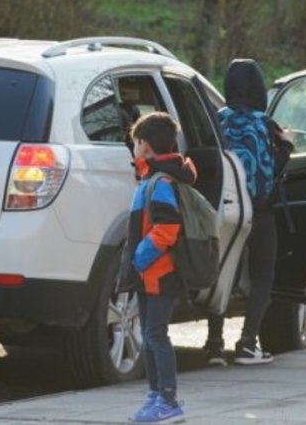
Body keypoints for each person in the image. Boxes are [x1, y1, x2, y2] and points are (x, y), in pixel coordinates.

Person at [204, 59, 285, 367]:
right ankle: (248, 343)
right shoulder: (265, 123)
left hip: (225, 207)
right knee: (263, 275)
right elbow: (273, 169)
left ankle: (214, 346)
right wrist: (287, 146)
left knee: (224, 270)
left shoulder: (217, 119)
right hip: (259, 211)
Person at [118, 112, 196, 424]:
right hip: (151, 274)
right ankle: (155, 395)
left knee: (155, 334)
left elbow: (166, 229)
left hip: (159, 273)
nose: (132, 147)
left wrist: (139, 258)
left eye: (135, 142)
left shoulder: (160, 182)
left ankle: (168, 399)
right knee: (150, 335)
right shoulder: (151, 178)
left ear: (146, 147)